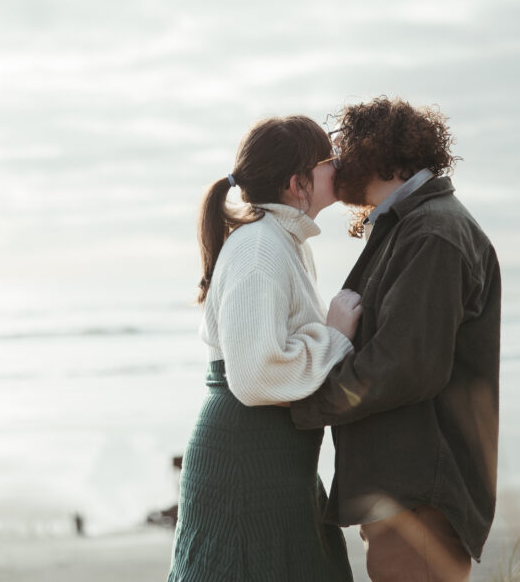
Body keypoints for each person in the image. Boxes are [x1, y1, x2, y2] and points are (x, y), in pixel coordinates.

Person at [290, 97, 502, 582]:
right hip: (406, 487)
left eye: (343, 152)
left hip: (420, 493)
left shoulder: (433, 233)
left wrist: (306, 405)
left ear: (380, 154)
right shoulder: (413, 225)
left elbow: (405, 367)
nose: (336, 166)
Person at [167, 115, 361, 582]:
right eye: (328, 161)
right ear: (298, 184)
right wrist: (334, 336)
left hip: (272, 455)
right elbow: (255, 377)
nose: (339, 167)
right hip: (246, 458)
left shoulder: (282, 242)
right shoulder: (259, 249)